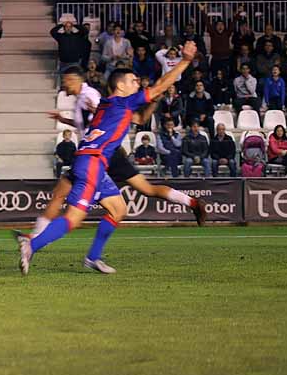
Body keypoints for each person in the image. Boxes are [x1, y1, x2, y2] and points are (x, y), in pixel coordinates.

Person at [18, 44, 199, 276]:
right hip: (93, 162)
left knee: (118, 209)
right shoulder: (121, 102)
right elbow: (158, 88)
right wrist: (184, 61)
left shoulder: (106, 104)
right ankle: (31, 245)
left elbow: (121, 119)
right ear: (120, 85)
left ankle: (93, 257)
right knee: (73, 218)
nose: (137, 83)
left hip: (91, 161)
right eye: (133, 80)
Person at [34, 61, 205, 241]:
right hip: (93, 154)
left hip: (102, 154)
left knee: (140, 192)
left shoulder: (92, 96)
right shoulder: (87, 100)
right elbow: (97, 122)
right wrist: (64, 120)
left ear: (73, 79)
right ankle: (43, 239)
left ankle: (37, 239)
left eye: (65, 80)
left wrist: (153, 100)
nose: (63, 85)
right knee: (134, 196)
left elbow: (125, 117)